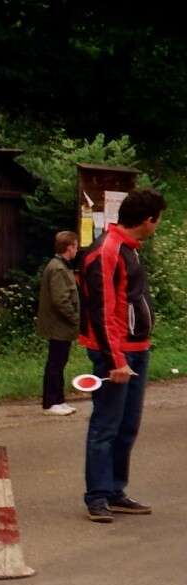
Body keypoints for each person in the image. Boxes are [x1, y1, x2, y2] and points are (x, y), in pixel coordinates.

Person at [77, 188, 166, 523]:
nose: (157, 226)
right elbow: (102, 313)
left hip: (137, 350)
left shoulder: (130, 249)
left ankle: (115, 490)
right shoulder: (106, 251)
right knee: (106, 426)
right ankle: (97, 496)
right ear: (148, 220)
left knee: (128, 426)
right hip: (115, 355)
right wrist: (116, 361)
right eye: (157, 220)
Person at [37, 230, 80, 415]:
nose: (77, 250)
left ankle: (59, 400)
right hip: (59, 325)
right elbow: (60, 300)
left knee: (59, 362)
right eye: (76, 246)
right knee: (55, 363)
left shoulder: (61, 266)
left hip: (61, 326)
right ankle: (51, 402)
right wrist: (75, 318)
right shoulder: (58, 268)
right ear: (69, 247)